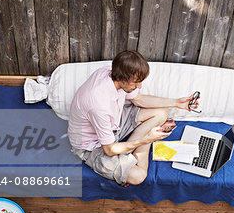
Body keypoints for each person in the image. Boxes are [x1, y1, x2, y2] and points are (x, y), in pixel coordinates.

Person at [68, 50, 199, 186]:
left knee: (162, 112)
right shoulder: (98, 103)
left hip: (114, 122)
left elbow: (139, 99)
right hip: (94, 146)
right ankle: (134, 152)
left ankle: (129, 154)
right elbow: (109, 149)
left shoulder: (111, 72)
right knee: (138, 176)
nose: (139, 86)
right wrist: (147, 139)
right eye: (135, 83)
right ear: (121, 78)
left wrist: (177, 103)